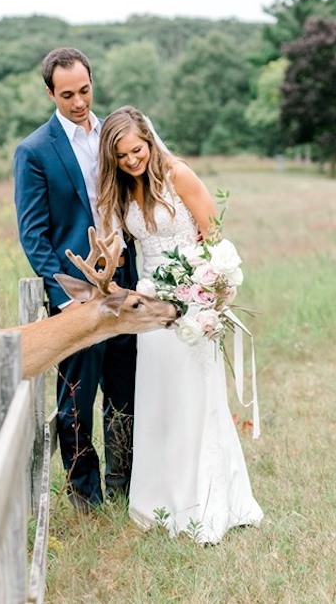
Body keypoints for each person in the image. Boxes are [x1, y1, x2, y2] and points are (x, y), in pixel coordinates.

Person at [96, 105, 263, 543]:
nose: (133, 160)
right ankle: (160, 502)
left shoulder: (178, 175)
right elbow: (111, 243)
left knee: (195, 400)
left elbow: (213, 235)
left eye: (137, 150)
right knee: (160, 400)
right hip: (150, 307)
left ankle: (206, 502)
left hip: (192, 302)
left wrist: (207, 293)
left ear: (149, 140)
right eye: (123, 156)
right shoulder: (121, 191)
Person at [13, 48, 140, 513]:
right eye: (67, 95)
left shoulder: (112, 135)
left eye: (84, 91)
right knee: (75, 402)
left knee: (124, 392)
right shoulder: (34, 151)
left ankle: (124, 484)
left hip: (124, 285)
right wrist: (63, 299)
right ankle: (87, 498)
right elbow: (33, 234)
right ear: (50, 93)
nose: (79, 102)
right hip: (78, 297)